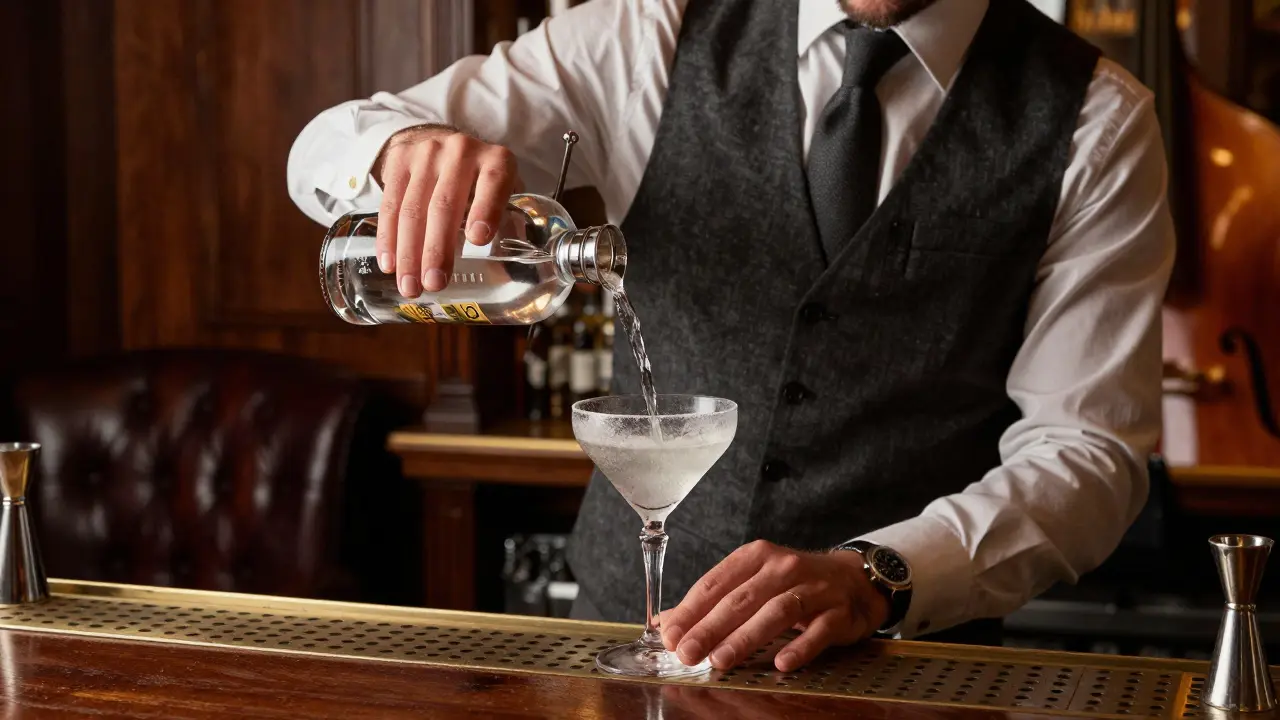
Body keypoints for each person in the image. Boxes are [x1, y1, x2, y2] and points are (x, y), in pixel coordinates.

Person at [288, 0, 1173, 673]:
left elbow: (1087, 450)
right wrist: (404, 148)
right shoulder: (653, 32)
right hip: (619, 652)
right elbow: (324, 145)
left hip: (905, 672)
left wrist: (882, 574)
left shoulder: (1097, 120)